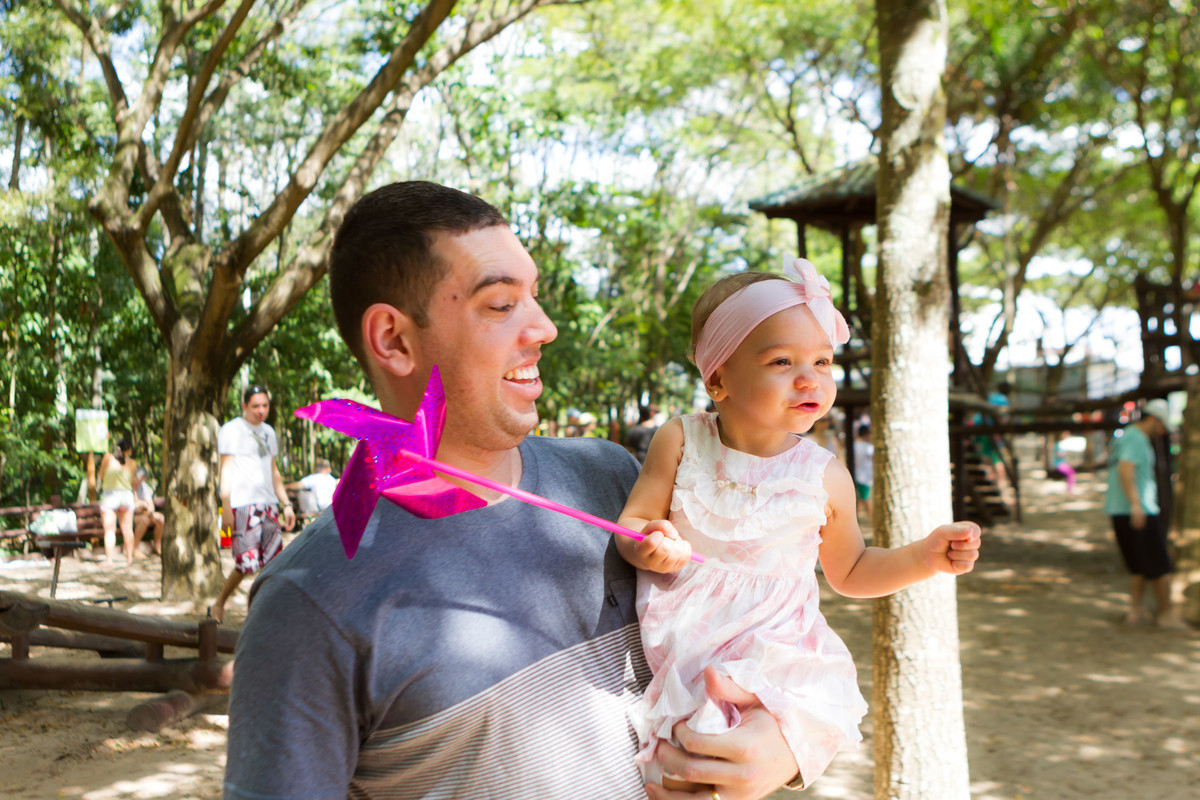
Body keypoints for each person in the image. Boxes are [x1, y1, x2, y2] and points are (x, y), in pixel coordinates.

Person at [224, 181, 802, 800]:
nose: (545, 328)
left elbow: (766, 641)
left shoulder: (616, 483)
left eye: (535, 297)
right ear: (393, 339)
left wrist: (788, 746)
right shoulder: (310, 602)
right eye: (501, 305)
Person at [616, 262, 982, 792]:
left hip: (774, 648)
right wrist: (648, 543)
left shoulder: (825, 477)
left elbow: (851, 570)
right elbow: (632, 523)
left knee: (725, 760)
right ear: (718, 378)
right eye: (782, 361)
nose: (809, 378)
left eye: (822, 361)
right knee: (674, 770)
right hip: (687, 634)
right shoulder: (680, 440)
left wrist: (922, 557)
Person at [210, 385, 296, 623]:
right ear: (244, 406)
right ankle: (219, 604)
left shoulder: (269, 432)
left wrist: (286, 504)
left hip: (269, 504)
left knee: (272, 563)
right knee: (246, 563)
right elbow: (224, 471)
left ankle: (259, 613)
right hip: (243, 504)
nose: (261, 411)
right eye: (255, 406)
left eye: (265, 406)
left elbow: (274, 471)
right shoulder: (231, 430)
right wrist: (225, 506)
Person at [1104, 398, 1185, 628]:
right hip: (1138, 511)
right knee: (1161, 565)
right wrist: (1137, 505)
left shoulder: (1126, 436)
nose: (1161, 432)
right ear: (1153, 419)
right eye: (1161, 426)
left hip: (1121, 509)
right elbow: (1125, 469)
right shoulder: (1136, 439)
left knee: (1137, 564)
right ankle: (1166, 614)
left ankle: (1135, 611)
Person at [97, 436, 139, 563]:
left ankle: (109, 559)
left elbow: (101, 476)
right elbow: (133, 483)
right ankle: (129, 558)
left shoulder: (107, 458)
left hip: (110, 496)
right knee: (127, 529)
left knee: (110, 531)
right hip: (126, 496)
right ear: (129, 450)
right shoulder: (132, 463)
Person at [132, 466, 164, 555]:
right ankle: (134, 548)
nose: (140, 482)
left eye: (143, 480)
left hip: (145, 514)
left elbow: (150, 506)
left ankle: (157, 546)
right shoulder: (127, 486)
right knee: (144, 520)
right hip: (131, 516)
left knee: (160, 518)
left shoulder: (144, 486)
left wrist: (144, 507)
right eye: (139, 480)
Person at [852, 423, 874, 520]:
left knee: (857, 502)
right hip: (865, 478)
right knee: (867, 501)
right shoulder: (869, 447)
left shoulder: (854, 445)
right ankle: (873, 522)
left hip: (855, 476)